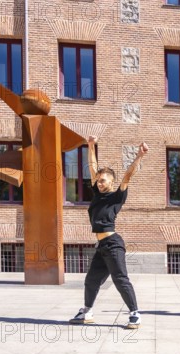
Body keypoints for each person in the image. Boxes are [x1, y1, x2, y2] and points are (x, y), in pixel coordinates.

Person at [69, 135, 148, 329]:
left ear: (111, 182)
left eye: (103, 180)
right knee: (91, 280)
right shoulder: (97, 193)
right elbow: (92, 166)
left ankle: (135, 314)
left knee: (120, 278)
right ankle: (87, 311)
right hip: (101, 246)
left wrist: (139, 156)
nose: (99, 182)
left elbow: (128, 175)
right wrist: (90, 145)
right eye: (98, 180)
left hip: (113, 244)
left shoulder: (117, 196)